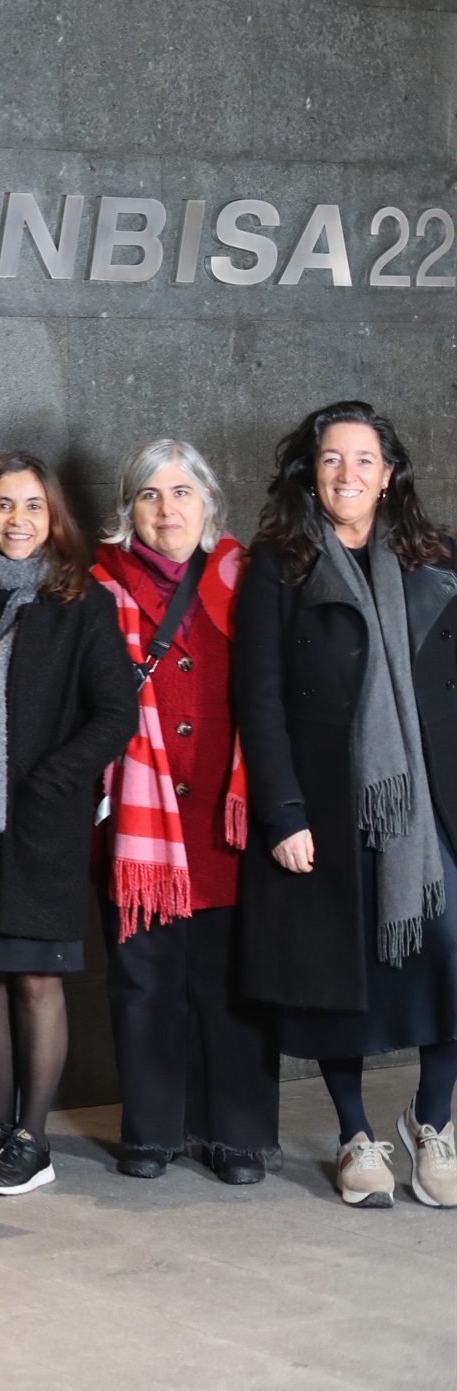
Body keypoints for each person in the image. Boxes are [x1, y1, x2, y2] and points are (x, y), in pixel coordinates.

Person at [236, 401, 457, 1209]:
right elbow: (257, 699)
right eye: (333, 459)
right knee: (344, 976)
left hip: (431, 805)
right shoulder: (280, 565)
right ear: (310, 470)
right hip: (330, 805)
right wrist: (283, 814)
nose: (348, 475)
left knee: (449, 957)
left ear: (390, 473)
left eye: (364, 460)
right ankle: (357, 1134)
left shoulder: (436, 558)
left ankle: (434, 1123)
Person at [0, 453, 137, 1198]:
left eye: (33, 507)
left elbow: (115, 714)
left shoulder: (83, 601)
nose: (18, 521)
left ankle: (35, 1142)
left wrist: (49, 783)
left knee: (38, 980)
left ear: (54, 518)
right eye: (3, 506)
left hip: (42, 823)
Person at [90, 439, 277, 1184]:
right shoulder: (96, 585)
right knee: (143, 979)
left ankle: (235, 1133)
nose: (167, 511)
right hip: (140, 819)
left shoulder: (246, 577)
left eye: (181, 494)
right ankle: (155, 1128)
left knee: (231, 980)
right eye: (149, 495)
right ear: (128, 508)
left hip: (227, 818)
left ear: (208, 503)